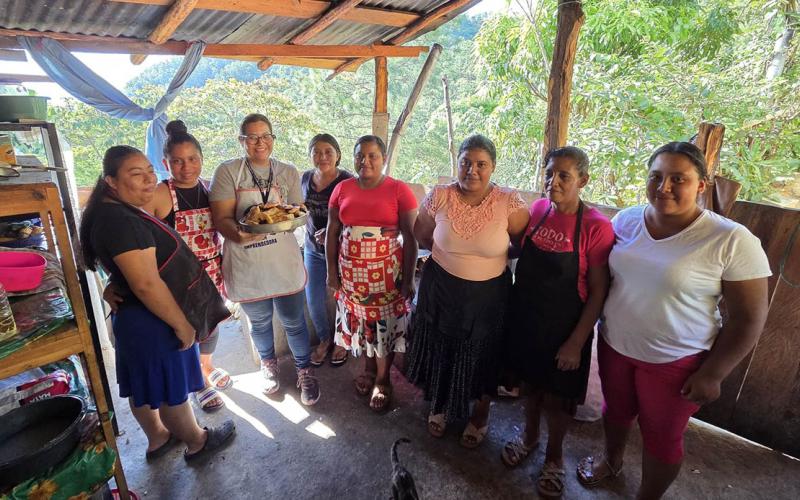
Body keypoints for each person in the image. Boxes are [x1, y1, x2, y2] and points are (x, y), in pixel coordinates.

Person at [576, 142, 771, 499]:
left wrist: (713, 373)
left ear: (701, 185)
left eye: (678, 178)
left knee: (662, 436)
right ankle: (611, 460)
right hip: (615, 343)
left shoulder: (730, 240)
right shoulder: (627, 219)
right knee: (615, 411)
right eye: (656, 177)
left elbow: (749, 318)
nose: (664, 187)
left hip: (677, 360)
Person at [79, 145, 235, 463]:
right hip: (152, 320)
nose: (149, 180)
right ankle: (197, 442)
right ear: (110, 180)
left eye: (150, 172)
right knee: (171, 390)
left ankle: (158, 438)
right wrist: (181, 324)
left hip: (133, 319)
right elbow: (147, 283)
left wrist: (113, 284)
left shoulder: (111, 212)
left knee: (144, 385)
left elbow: (126, 269)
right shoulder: (121, 221)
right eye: (136, 175)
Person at [501, 146, 615, 497]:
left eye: (564, 175)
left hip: (565, 326)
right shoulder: (537, 210)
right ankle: (530, 439)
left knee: (558, 398)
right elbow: (514, 250)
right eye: (549, 173)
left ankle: (554, 457)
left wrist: (576, 342)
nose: (554, 181)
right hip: (527, 319)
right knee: (530, 388)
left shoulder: (596, 227)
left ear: (583, 180)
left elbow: (598, 291)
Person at [406, 134, 529, 447]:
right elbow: (421, 235)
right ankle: (441, 406)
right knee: (441, 348)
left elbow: (522, 242)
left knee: (483, 354)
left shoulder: (507, 201)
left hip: (488, 298)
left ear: (493, 168)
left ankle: (479, 415)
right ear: (456, 163)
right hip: (442, 290)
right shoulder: (441, 196)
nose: (472, 170)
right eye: (465, 162)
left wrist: (489, 255)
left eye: (481, 164)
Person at [104, 120, 229, 412]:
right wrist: (113, 282)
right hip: (176, 279)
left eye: (192, 159)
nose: (186, 167)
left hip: (211, 271)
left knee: (211, 323)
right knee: (187, 331)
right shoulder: (160, 194)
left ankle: (207, 368)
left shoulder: (211, 189)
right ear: (165, 163)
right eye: (177, 161)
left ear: (201, 159)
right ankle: (200, 383)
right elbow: (131, 245)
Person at [209, 113, 319, 406]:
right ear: (241, 141)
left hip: (282, 262)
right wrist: (240, 234)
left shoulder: (287, 171)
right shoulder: (228, 171)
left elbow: (297, 213)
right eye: (253, 137)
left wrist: (283, 217)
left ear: (273, 138)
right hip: (247, 262)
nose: (261, 143)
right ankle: (268, 366)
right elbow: (221, 218)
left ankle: (304, 370)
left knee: (294, 321)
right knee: (259, 323)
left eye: (266, 136)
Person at [325, 135, 418, 412]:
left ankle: (382, 378)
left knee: (383, 327)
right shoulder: (341, 189)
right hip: (351, 275)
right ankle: (367, 368)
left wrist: (409, 278)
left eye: (372, 156)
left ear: (384, 158)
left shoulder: (399, 190)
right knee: (362, 324)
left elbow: (411, 239)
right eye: (359, 156)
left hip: (386, 275)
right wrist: (332, 273)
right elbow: (332, 232)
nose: (365, 161)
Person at [301, 134, 353, 367]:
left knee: (345, 298)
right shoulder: (304, 179)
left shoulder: (348, 182)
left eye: (328, 152)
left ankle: (342, 341)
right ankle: (324, 339)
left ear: (338, 155)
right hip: (312, 249)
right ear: (310, 154)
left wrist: (336, 233)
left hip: (343, 251)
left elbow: (357, 218)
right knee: (314, 299)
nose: (322, 157)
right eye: (317, 152)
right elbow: (299, 210)